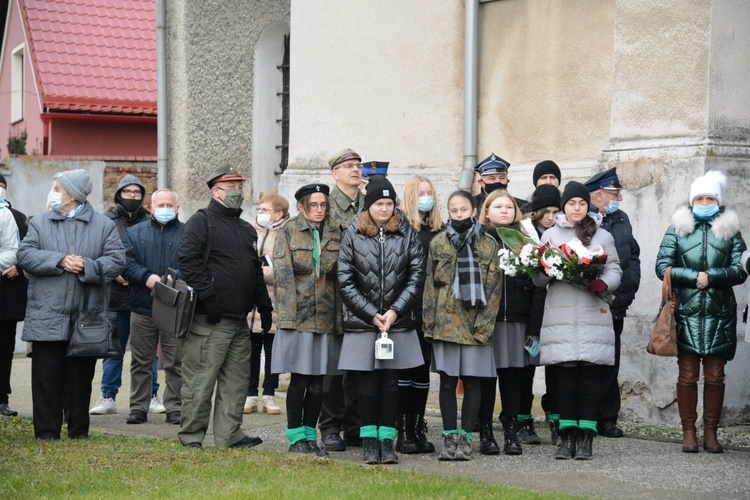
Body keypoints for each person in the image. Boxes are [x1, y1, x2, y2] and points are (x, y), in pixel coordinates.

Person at [18, 169, 125, 440]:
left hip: (86, 314)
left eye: (57, 188)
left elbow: (116, 260)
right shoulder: (40, 223)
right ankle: (46, 432)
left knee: (80, 377)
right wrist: (59, 260)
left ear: (73, 194)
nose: (53, 193)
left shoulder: (103, 225)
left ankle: (79, 431)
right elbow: (25, 255)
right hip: (47, 312)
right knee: (46, 377)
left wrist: (88, 266)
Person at [177, 164, 272, 449]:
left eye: (240, 186)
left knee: (236, 381)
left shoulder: (245, 229)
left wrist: (264, 305)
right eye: (232, 187)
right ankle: (192, 436)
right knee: (200, 381)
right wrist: (209, 297)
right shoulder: (201, 221)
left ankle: (230, 435)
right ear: (216, 191)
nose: (238, 192)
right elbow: (188, 261)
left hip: (239, 321)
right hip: (209, 320)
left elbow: (254, 269)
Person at [655, 170, 747, 454]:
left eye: (710, 198)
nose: (704, 202)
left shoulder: (731, 230)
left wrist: (713, 276)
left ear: (718, 202)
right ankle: (688, 432)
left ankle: (711, 432)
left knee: (716, 375)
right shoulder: (677, 228)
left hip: (720, 312)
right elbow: (662, 266)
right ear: (692, 200)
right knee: (687, 374)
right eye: (700, 198)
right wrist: (693, 276)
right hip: (686, 311)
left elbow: (741, 268)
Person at [337, 177, 426, 465]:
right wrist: (370, 314)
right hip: (364, 322)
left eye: (389, 204)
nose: (385, 209)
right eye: (379, 204)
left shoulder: (406, 233)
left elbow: (416, 276)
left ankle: (387, 441)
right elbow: (345, 279)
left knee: (391, 383)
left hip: (396, 322)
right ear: (369, 206)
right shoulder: (353, 234)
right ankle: (368, 440)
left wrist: (395, 311)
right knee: (367, 383)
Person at [533, 181, 621, 460]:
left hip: (592, 312)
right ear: (564, 206)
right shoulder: (550, 235)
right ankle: (567, 436)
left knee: (589, 377)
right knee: (567, 377)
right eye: (571, 203)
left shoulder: (602, 235)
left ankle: (586, 437)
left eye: (582, 203)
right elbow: (536, 277)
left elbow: (615, 268)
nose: (577, 208)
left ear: (588, 205)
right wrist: (549, 270)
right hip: (561, 314)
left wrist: (604, 284)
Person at [423, 190, 502, 462]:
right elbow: (430, 287)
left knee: (472, 383)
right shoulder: (438, 243)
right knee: (446, 383)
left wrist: (484, 326)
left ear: (473, 211)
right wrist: (429, 323)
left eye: (464, 210)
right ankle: (448, 437)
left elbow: (493, 290)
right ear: (449, 212)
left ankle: (466, 439)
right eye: (454, 210)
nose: (459, 215)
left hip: (475, 325)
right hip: (445, 324)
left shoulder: (488, 244)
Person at [271, 184, 341, 457]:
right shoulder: (288, 231)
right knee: (299, 379)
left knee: (318, 382)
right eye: (314, 205)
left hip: (325, 316)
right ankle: (295, 436)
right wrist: (287, 318)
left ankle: (311, 435)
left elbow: (341, 273)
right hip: (298, 318)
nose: (320, 209)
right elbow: (283, 276)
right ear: (301, 206)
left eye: (324, 204)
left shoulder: (335, 231)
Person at [478, 190, 545, 456]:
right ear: (486, 211)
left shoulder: (526, 241)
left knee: (514, 380)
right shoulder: (477, 240)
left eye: (509, 207)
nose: (504, 211)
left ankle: (510, 431)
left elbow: (539, 287)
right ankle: (485, 433)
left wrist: (534, 328)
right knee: (485, 381)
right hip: (487, 322)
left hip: (517, 320)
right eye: (498, 206)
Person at [91, 174, 162, 416]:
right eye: (127, 192)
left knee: (148, 351)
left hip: (145, 295)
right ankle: (108, 395)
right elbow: (100, 253)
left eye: (137, 192)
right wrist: (115, 274)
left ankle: (152, 395)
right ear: (118, 194)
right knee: (114, 349)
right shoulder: (106, 221)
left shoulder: (151, 221)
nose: (132, 196)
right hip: (117, 295)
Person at [584, 167, 641, 439]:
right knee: (586, 363)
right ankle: (586, 417)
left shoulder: (621, 219)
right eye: (614, 193)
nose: (619, 198)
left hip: (613, 302)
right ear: (597, 196)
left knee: (609, 362)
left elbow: (633, 256)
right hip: (586, 302)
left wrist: (626, 294)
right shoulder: (581, 220)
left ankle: (607, 418)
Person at [122, 189, 185, 425]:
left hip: (174, 308)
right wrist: (146, 276)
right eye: (161, 204)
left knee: (175, 362)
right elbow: (125, 263)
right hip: (142, 306)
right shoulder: (134, 232)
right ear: (152, 208)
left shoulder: (187, 233)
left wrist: (175, 279)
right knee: (140, 360)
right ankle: (138, 407)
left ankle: (175, 407)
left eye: (170, 204)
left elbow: (195, 263)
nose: (165, 208)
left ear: (177, 209)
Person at [319, 148, 365, 452]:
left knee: (359, 366)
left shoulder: (370, 203)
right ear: (335, 174)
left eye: (358, 166)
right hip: (334, 296)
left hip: (366, 295)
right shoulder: (326, 206)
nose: (355, 170)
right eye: (349, 166)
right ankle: (331, 426)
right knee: (334, 369)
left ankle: (356, 425)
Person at [395, 175, 443, 454]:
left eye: (430, 192)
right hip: (406, 311)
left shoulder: (439, 229)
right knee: (406, 371)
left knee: (423, 372)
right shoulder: (401, 228)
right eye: (421, 193)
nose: (427, 197)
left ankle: (416, 427)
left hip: (430, 312)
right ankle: (402, 431)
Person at [522, 183, 562, 444]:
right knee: (526, 366)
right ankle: (523, 419)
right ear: (536, 212)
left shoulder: (564, 235)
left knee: (557, 367)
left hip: (557, 310)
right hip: (530, 311)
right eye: (545, 212)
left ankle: (557, 417)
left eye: (555, 211)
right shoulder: (525, 235)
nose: (550, 217)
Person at [244, 191, 290, 416]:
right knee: (251, 351)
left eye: (265, 210)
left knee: (273, 352)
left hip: (276, 304)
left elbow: (285, 270)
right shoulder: (249, 231)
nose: (260, 213)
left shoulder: (287, 234)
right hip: (250, 304)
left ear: (278, 213)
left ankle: (269, 395)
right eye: (259, 209)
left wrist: (260, 272)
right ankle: (250, 394)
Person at [0, 172, 25, 417]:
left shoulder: (17, 218)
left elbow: (27, 251)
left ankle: (2, 398)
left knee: (5, 349)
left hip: (6, 297)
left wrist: (19, 267)